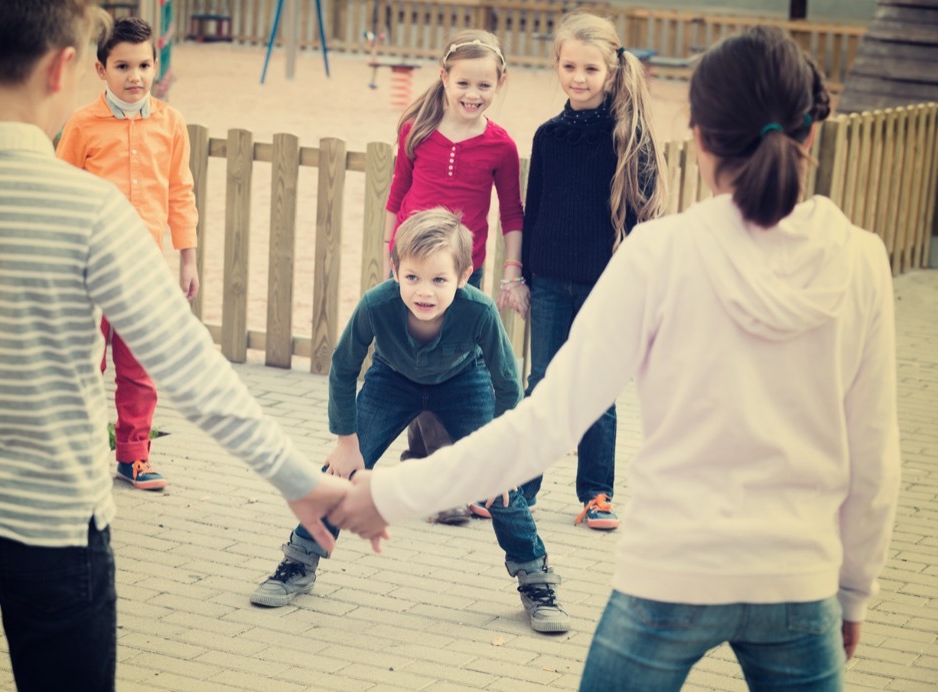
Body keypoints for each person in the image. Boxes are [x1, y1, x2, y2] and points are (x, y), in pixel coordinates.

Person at [330, 27, 901, 690]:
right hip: (801, 585)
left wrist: (394, 491)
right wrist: (854, 590)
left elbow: (545, 421)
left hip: (669, 579)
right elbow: (875, 459)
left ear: (699, 134)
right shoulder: (860, 259)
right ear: (809, 136)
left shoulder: (660, 254)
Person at [0, 2, 345, 690]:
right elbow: (190, 367)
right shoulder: (89, 209)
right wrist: (298, 479)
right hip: (51, 527)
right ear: (64, 68)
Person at [250, 208, 570, 634]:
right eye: (413, 277)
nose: (425, 291)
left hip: (463, 381)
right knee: (338, 474)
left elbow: (507, 385)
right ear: (395, 269)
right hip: (391, 380)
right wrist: (347, 440)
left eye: (440, 279)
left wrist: (502, 454)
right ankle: (298, 563)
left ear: (464, 275)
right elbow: (344, 368)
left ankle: (536, 580)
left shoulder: (479, 312)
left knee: (501, 483)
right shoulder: (376, 305)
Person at [519, 12, 666, 531]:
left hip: (608, 285)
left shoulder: (629, 138)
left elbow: (648, 222)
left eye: (589, 69)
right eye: (569, 66)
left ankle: (597, 494)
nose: (577, 78)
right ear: (556, 65)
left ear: (611, 72)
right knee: (542, 383)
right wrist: (524, 277)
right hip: (550, 281)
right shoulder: (548, 136)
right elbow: (533, 210)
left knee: (598, 388)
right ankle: (521, 486)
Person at [383, 31, 528, 506]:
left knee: (459, 371)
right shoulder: (417, 131)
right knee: (415, 365)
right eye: (463, 82)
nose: (473, 94)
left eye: (485, 86)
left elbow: (510, 213)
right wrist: (390, 257)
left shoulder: (500, 146)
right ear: (444, 77)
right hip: (412, 270)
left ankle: (432, 470)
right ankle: (439, 477)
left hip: (465, 274)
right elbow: (396, 196)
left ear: (500, 84)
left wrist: (511, 271)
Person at [57, 15, 198, 491]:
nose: (134, 76)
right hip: (86, 270)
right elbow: (62, 191)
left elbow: (180, 192)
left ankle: (133, 457)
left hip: (143, 272)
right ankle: (75, 456)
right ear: (101, 70)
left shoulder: (170, 123)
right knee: (83, 366)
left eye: (143, 65)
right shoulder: (81, 125)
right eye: (122, 66)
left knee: (139, 369)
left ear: (157, 66)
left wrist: (188, 258)